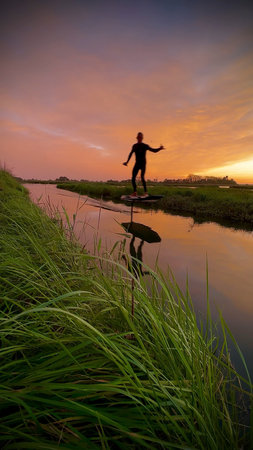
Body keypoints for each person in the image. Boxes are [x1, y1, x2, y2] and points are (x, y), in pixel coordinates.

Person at [123, 132, 164, 198]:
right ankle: (135, 192)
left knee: (142, 177)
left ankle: (145, 193)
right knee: (133, 178)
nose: (139, 138)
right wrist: (127, 162)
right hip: (137, 163)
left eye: (140, 137)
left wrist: (160, 148)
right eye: (138, 137)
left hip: (143, 163)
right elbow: (130, 154)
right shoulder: (134, 146)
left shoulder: (145, 146)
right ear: (137, 138)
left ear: (142, 138)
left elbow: (153, 150)